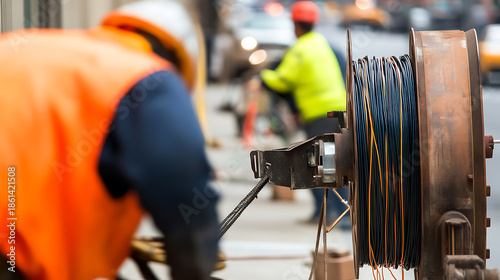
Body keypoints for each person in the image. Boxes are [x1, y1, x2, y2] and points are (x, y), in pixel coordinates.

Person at [0, 1, 219, 279]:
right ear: (176, 59)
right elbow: (179, 180)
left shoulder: (21, 48)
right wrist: (194, 265)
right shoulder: (147, 78)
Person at [260, 1, 349, 227]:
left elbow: (282, 81)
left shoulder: (299, 49)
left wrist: (263, 76)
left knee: (314, 164)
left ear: (295, 25)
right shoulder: (321, 43)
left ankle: (328, 213)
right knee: (338, 161)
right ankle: (343, 213)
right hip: (338, 110)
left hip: (318, 114)